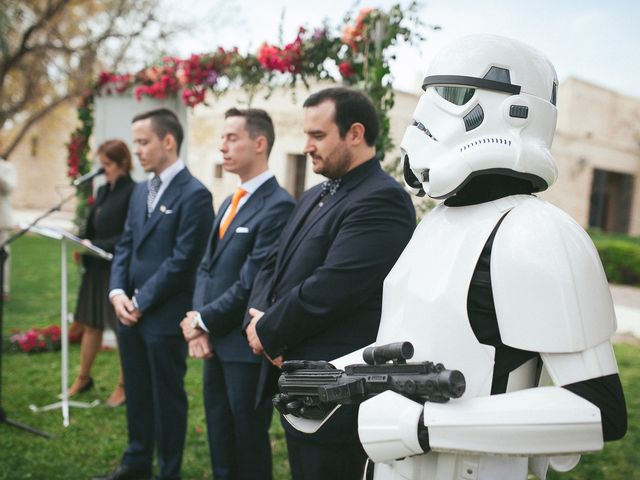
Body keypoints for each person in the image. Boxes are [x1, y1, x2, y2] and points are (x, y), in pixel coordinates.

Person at [308, 35, 624, 480]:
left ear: (518, 109)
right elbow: (416, 343)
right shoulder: (437, 224)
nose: (425, 115)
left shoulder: (538, 233)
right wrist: (333, 381)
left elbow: (596, 409)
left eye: (451, 96)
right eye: (430, 94)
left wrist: (425, 426)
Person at [244, 87, 416, 480]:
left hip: (338, 387)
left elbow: (333, 287)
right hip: (296, 377)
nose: (307, 147)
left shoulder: (382, 200)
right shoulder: (311, 195)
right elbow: (272, 263)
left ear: (355, 133)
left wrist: (270, 331)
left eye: (317, 136)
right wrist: (258, 322)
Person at [95, 108, 214, 480]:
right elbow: (126, 245)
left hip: (163, 316)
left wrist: (141, 301)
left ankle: (169, 471)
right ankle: (136, 461)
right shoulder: (139, 191)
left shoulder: (195, 195)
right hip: (128, 312)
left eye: (144, 142)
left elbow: (182, 261)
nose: (138, 150)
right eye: (135, 142)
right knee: (138, 392)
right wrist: (117, 292)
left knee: (167, 399)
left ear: (168, 141)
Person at [180, 108, 295, 480]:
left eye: (232, 138)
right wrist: (200, 323)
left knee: (248, 439)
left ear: (259, 144)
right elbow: (206, 265)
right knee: (219, 434)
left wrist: (201, 319)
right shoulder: (231, 200)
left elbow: (251, 281)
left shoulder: (279, 206)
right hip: (215, 341)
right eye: (222, 138)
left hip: (245, 349)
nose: (222, 146)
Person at [68, 140, 135, 407]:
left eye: (107, 164)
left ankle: (124, 386)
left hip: (116, 269)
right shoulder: (105, 191)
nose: (102, 169)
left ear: (123, 164)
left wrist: (96, 245)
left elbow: (128, 236)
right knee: (90, 324)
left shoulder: (133, 192)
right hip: (95, 268)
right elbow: (93, 223)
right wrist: (81, 240)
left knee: (121, 331)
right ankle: (83, 378)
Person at [0, 157, 17, 301]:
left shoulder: (7, 167)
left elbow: (9, 188)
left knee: (3, 255)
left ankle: (3, 289)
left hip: (1, 221)